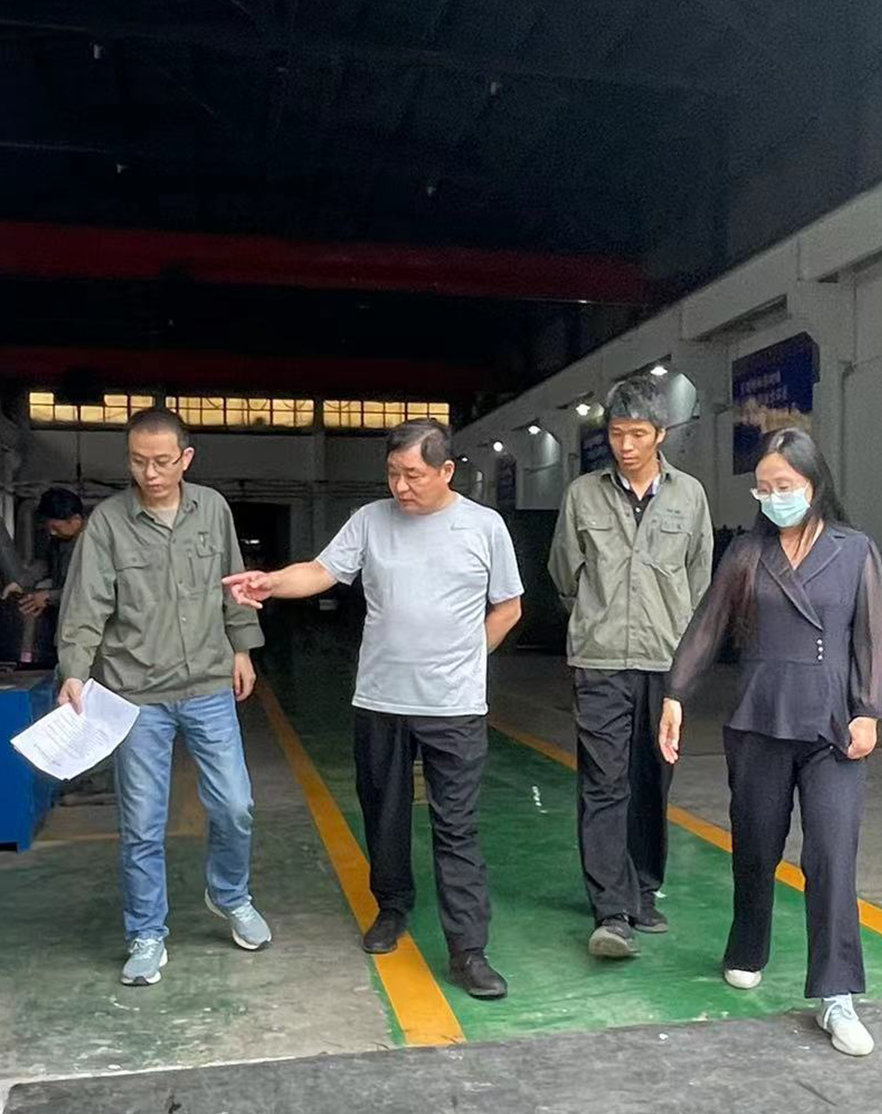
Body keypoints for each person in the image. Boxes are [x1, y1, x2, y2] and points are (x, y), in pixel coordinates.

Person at [224, 418, 523, 1000]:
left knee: (456, 826)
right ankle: (392, 907)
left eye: (413, 475)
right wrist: (271, 583)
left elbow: (508, 607)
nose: (400, 486)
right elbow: (321, 571)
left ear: (446, 470)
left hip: (454, 707)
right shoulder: (370, 520)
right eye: (392, 474)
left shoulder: (484, 526)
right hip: (381, 699)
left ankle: (468, 949)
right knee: (383, 812)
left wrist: (469, 660)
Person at [657, 427, 882, 1057]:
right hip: (760, 717)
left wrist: (869, 711)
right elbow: (707, 626)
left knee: (832, 856)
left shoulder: (854, 549)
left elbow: (872, 635)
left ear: (813, 485)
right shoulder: (747, 553)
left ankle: (837, 995)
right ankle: (748, 944)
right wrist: (676, 693)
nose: (773, 498)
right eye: (763, 489)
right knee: (756, 845)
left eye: (784, 486)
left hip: (833, 726)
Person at [56, 408, 271, 987]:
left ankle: (230, 895)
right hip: (136, 695)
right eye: (138, 461)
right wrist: (74, 671)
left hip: (207, 684)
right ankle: (146, 933)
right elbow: (85, 604)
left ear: (185, 459)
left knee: (235, 805)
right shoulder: (108, 523)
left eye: (161, 461)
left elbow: (233, 585)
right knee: (142, 823)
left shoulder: (213, 510)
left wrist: (242, 649)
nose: (149, 474)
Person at [547, 376, 712, 959]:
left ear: (661, 434)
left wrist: (681, 651)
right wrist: (599, 617)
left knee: (653, 779)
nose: (626, 445)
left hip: (666, 663)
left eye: (638, 434)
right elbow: (564, 573)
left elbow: (700, 580)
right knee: (604, 782)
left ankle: (643, 889)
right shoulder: (582, 495)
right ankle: (611, 910)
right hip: (600, 662)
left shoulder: (689, 496)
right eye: (617, 434)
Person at [16, 487, 87, 621]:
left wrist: (49, 597)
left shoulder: (95, 545)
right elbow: (46, 564)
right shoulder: (60, 539)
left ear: (76, 520)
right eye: (49, 528)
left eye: (56, 528)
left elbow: (88, 592)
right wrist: (20, 582)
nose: (52, 533)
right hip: (68, 615)